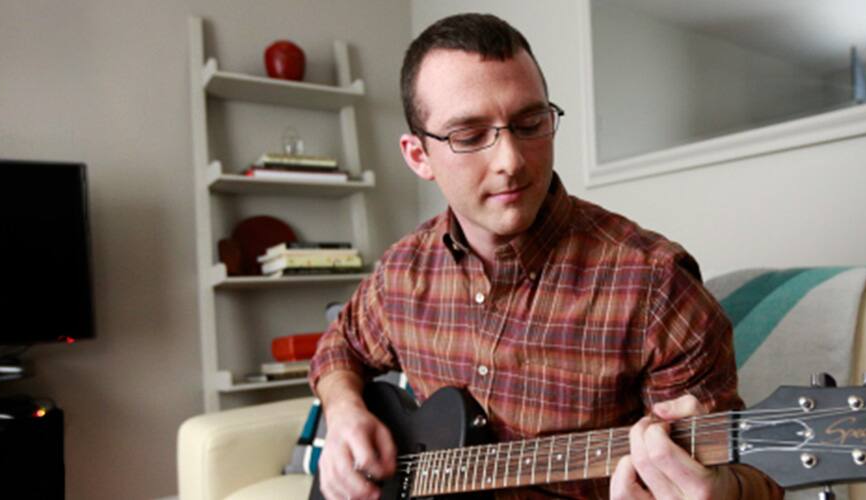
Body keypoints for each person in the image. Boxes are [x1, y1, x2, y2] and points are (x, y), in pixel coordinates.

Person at [308, 13, 781, 500]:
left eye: (530, 123)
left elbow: (753, 473)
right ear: (417, 156)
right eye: (469, 136)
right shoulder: (402, 272)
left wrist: (720, 492)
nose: (511, 160)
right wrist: (344, 411)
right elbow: (338, 346)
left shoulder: (656, 284)